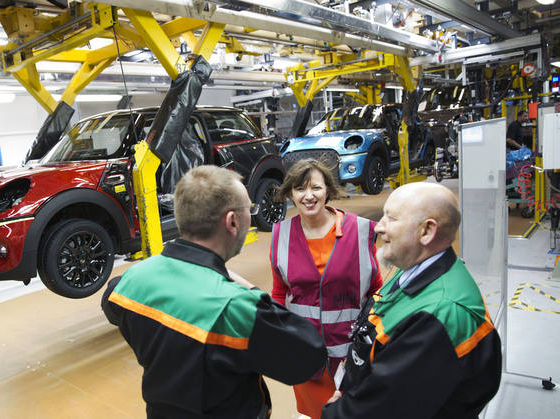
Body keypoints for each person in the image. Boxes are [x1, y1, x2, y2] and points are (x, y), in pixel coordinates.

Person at [102, 165, 327, 419]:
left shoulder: (132, 280)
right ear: (232, 221)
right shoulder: (237, 307)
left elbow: (110, 302)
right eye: (249, 210)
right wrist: (247, 287)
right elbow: (311, 358)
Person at [321, 182, 502, 419]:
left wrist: (336, 412)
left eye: (392, 218)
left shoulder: (439, 315)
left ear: (426, 231)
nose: (379, 227)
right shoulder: (414, 267)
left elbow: (386, 408)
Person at [270, 158, 383, 419]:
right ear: (290, 193)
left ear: (328, 190)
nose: (308, 196)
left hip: (353, 354)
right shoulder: (281, 235)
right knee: (316, 412)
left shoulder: (360, 230)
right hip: (306, 355)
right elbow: (279, 292)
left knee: (354, 411)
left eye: (316, 188)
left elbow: (376, 289)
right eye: (300, 189)